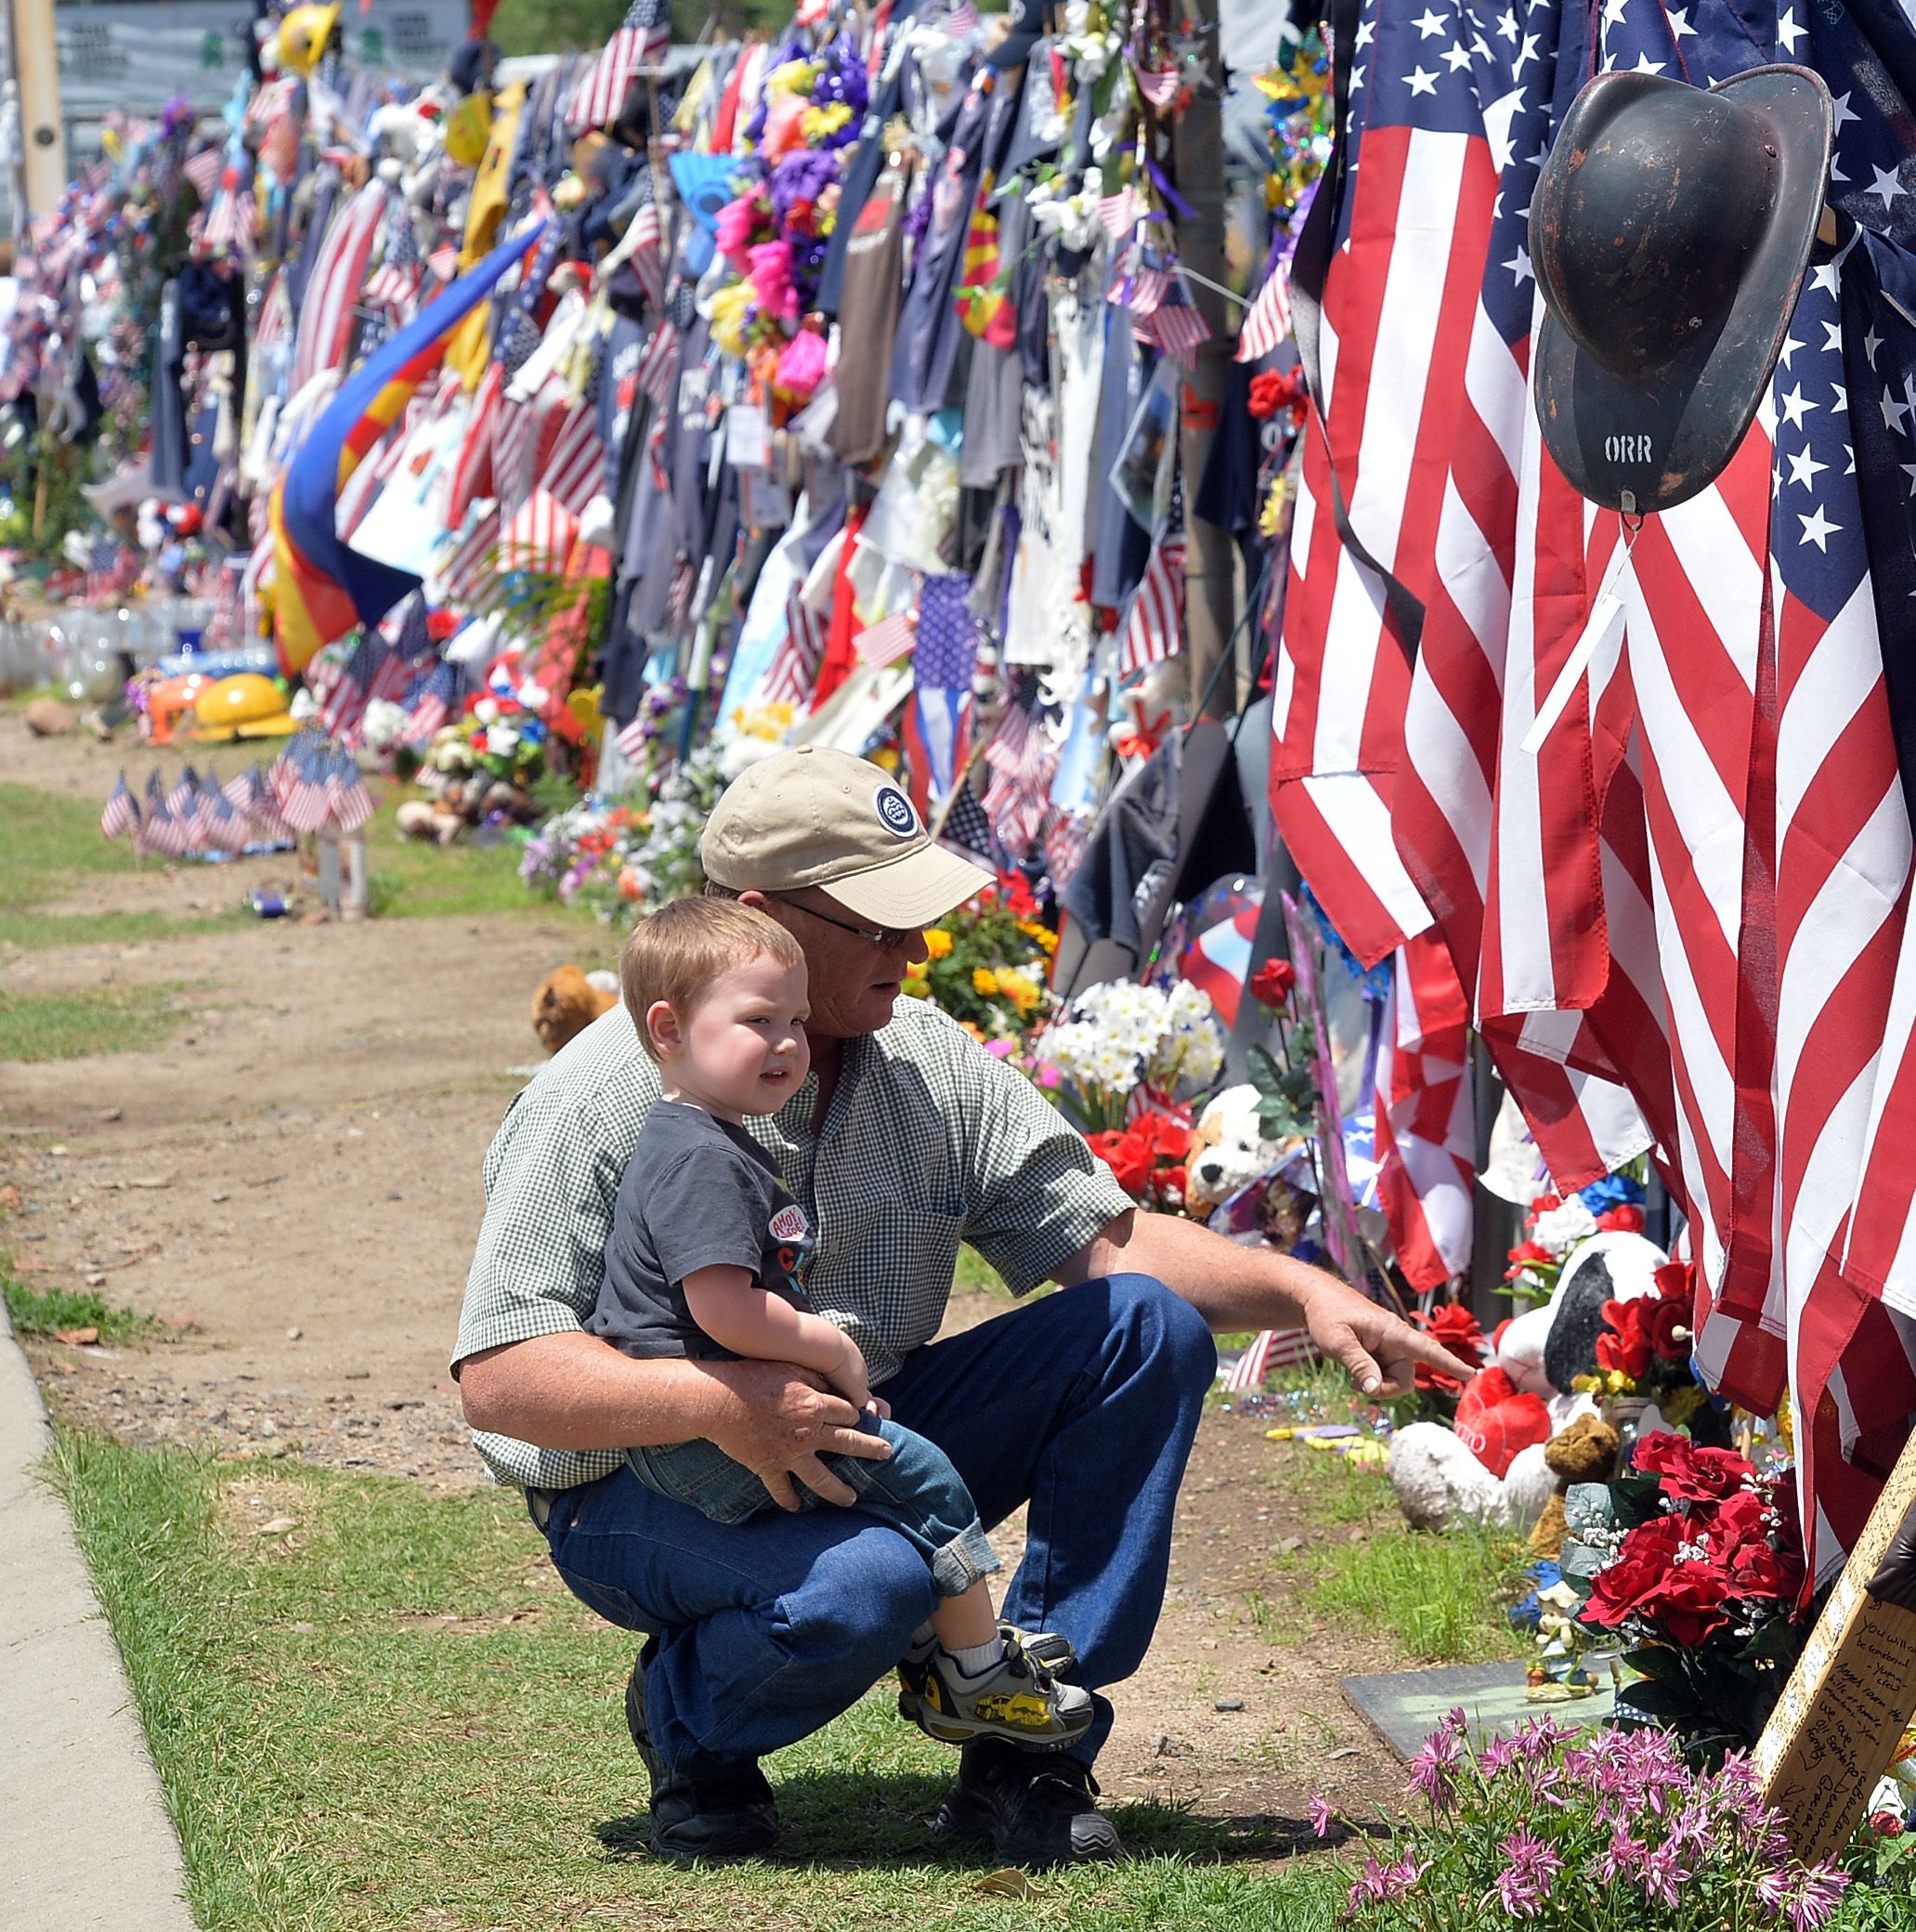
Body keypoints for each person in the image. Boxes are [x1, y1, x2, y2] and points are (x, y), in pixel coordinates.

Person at [452, 746, 1472, 1869]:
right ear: (759, 917)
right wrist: (723, 1401)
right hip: (642, 1485)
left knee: (1144, 1329)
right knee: (873, 1587)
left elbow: (1113, 1244)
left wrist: (1305, 1290)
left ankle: (1028, 1750)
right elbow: (502, 1383)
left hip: (857, 1428)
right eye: (877, 923)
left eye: (916, 917)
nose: (916, 948)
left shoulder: (925, 1060)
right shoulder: (598, 1095)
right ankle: (690, 1724)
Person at [590, 896, 1094, 1750]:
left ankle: (947, 1637)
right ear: (668, 1030)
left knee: (894, 1501)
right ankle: (970, 1673)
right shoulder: (700, 1158)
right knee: (924, 1479)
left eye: (793, 1019)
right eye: (758, 1020)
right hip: (701, 1443)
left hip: (705, 1436)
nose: (787, 1043)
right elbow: (720, 1309)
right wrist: (825, 1343)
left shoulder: (706, 1138)